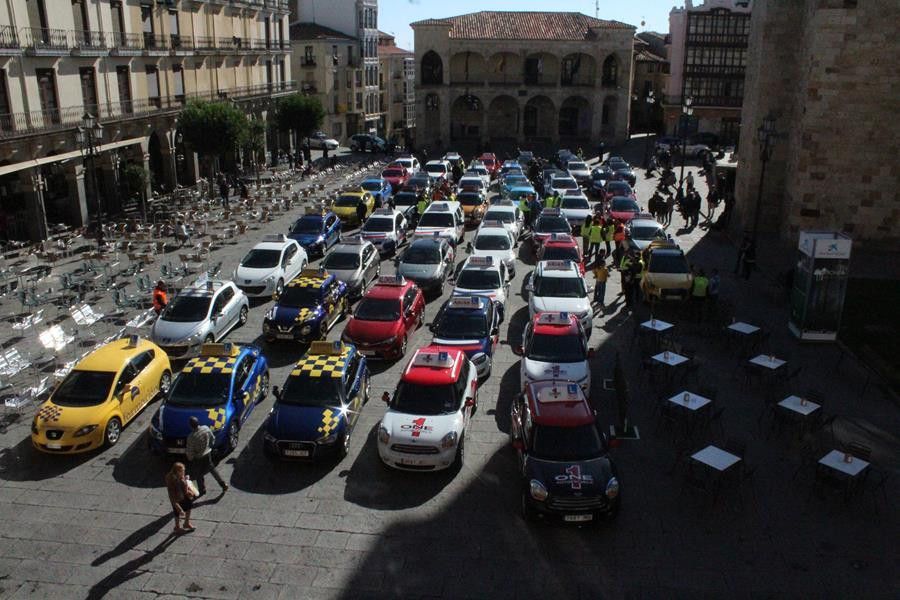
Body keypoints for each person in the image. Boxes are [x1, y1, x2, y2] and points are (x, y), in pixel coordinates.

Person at [185, 416, 228, 497]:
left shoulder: (191, 437)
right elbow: (213, 439)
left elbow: (190, 450)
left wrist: (190, 458)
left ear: (190, 425)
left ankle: (202, 490)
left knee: (198, 474)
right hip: (207, 453)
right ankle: (223, 484)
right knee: (212, 469)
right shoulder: (206, 428)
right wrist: (210, 447)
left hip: (198, 457)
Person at [165, 462, 196, 534]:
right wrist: (179, 509)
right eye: (182, 471)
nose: (184, 472)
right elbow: (172, 498)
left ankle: (186, 523)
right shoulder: (171, 482)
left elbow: (182, 483)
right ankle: (177, 527)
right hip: (177, 499)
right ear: (177, 472)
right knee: (177, 513)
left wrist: (185, 479)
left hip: (184, 496)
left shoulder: (180, 476)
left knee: (189, 507)